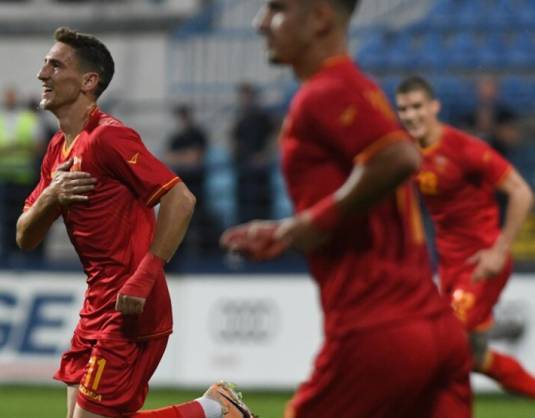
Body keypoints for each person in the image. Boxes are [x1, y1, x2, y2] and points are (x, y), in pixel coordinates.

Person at [221, 1, 471, 417]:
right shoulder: (355, 88)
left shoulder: (327, 90)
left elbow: (398, 158)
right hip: (434, 327)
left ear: (319, 18)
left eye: (277, 9)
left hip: (377, 331)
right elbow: (364, 190)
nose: (260, 22)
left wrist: (313, 222)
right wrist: (287, 231)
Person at [16, 27, 254, 418]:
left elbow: (181, 198)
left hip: (132, 303)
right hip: (96, 303)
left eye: (55, 66)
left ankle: (215, 410)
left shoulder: (108, 138)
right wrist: (50, 196)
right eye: (45, 64)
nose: (43, 74)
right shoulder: (57, 149)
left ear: (89, 81)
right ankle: (214, 408)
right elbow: (25, 237)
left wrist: (145, 277)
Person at [395, 75, 535, 399]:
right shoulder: (407, 152)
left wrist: (499, 250)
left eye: (417, 106)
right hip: (449, 267)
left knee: (444, 348)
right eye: (404, 109)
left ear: (434, 107)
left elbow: (521, 192)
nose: (411, 115)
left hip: (480, 265)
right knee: (476, 358)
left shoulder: (464, 149)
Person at [0, 86, 43, 266]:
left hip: (24, 177)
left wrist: (5, 149)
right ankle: (5, 253)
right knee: (3, 218)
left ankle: (25, 254)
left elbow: (38, 145)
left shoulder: (28, 119)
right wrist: (17, 147)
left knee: (25, 218)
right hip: (2, 176)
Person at [165, 104, 219, 259]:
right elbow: (168, 158)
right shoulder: (176, 137)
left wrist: (180, 157)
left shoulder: (197, 134)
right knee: (181, 220)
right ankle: (181, 254)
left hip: (197, 184)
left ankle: (205, 254)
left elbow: (195, 158)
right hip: (182, 185)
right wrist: (186, 156)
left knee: (200, 219)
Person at [231, 82, 275, 223]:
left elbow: (272, 137)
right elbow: (234, 140)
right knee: (245, 204)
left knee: (261, 205)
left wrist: (265, 155)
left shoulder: (262, 116)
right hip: (243, 166)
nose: (245, 98)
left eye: (247, 95)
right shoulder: (239, 117)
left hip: (260, 167)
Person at [463, 75, 520, 160]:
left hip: (500, 158)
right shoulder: (468, 114)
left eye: (489, 88)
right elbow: (462, 139)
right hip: (475, 159)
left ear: (497, 91)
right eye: (483, 88)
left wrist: (490, 128)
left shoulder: (506, 114)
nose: (486, 92)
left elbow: (513, 139)